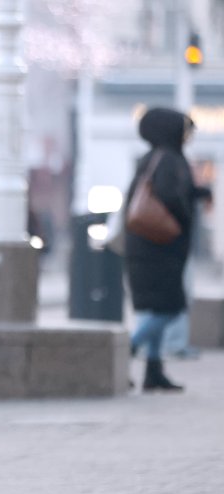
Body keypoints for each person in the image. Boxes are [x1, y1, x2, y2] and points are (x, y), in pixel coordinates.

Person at [123, 107, 210, 391]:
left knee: (157, 307)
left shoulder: (154, 157)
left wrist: (199, 193)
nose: (187, 136)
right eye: (185, 130)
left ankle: (153, 370)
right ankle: (125, 352)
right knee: (170, 309)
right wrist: (185, 219)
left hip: (148, 246)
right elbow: (170, 196)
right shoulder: (169, 159)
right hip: (159, 248)